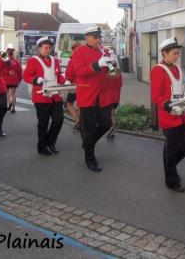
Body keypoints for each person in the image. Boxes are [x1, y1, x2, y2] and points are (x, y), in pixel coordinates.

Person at [151, 37, 185, 192]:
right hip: (169, 115)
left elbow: (180, 91)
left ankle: (169, 166)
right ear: (164, 53)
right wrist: (168, 106)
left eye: (178, 54)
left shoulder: (177, 69)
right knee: (172, 148)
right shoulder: (158, 70)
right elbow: (156, 96)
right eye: (174, 53)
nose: (177, 56)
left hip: (182, 113)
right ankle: (171, 180)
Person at [65, 26, 113, 172]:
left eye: (99, 37)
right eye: (95, 37)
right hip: (88, 95)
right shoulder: (79, 51)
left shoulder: (102, 51)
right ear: (87, 37)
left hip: (102, 95)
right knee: (89, 129)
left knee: (106, 124)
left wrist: (113, 63)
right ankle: (90, 159)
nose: (98, 40)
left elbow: (112, 74)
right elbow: (79, 72)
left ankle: (87, 143)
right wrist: (97, 64)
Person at [23, 37, 67, 156]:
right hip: (41, 97)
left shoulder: (55, 60)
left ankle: (50, 142)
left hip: (55, 95)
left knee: (59, 120)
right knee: (43, 123)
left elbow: (58, 75)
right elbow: (26, 76)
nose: (48, 50)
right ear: (39, 48)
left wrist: (65, 81)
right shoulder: (34, 60)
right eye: (46, 47)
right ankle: (42, 146)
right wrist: (36, 79)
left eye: (50, 47)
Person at [100, 62, 122, 139]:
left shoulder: (106, 74)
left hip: (108, 97)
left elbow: (102, 85)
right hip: (116, 96)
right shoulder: (118, 73)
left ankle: (112, 129)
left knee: (109, 115)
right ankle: (113, 130)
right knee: (113, 114)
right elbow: (120, 84)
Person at [2, 44, 22, 113]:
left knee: (6, 93)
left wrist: (7, 72)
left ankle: (7, 105)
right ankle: (13, 108)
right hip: (14, 80)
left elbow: (1, 70)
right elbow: (20, 72)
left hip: (6, 80)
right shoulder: (17, 62)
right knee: (13, 94)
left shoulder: (4, 61)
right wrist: (19, 80)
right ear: (13, 53)